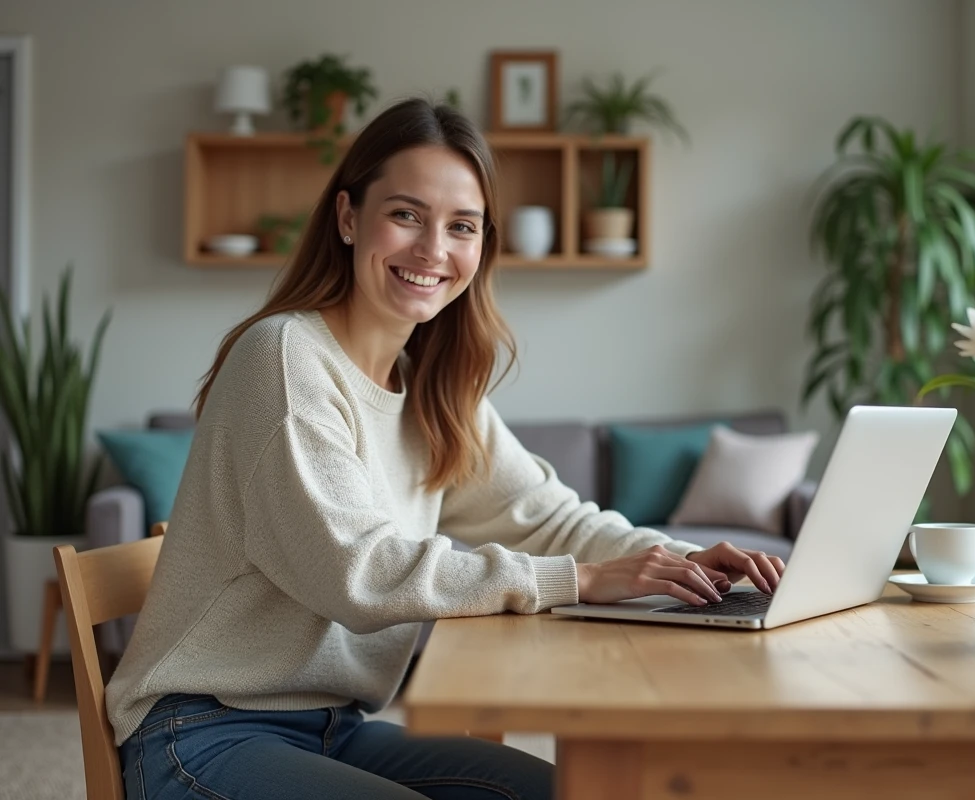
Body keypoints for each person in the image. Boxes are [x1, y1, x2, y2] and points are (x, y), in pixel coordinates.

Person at [106, 98, 785, 800]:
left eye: (461, 226)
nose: (433, 249)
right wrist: (576, 581)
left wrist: (679, 566)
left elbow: (549, 518)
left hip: (336, 724)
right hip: (203, 732)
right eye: (405, 215)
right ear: (347, 217)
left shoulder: (431, 388)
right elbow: (357, 572)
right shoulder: (284, 357)